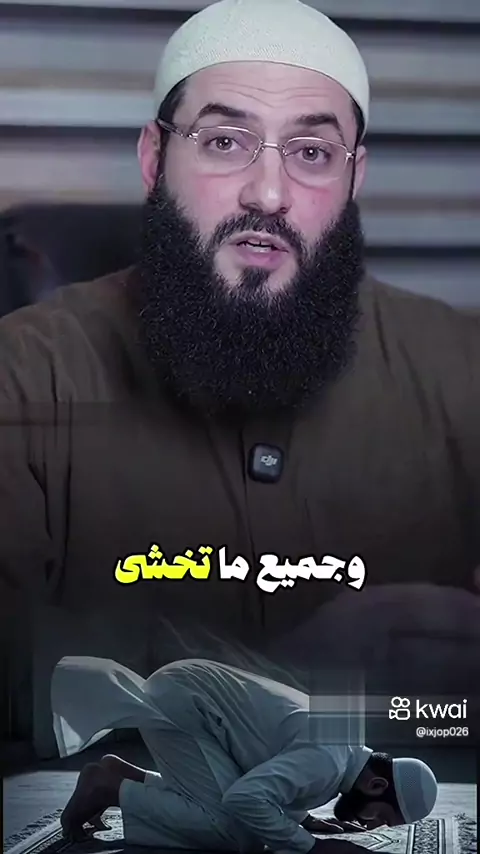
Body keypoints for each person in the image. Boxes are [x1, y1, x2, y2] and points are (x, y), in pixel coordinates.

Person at [0, 0, 480, 653]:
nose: (269, 194)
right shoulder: (27, 377)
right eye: (225, 142)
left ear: (354, 179)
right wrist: (291, 681)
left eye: (312, 153)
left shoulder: (459, 373)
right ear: (154, 159)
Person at [52, 657, 438, 851]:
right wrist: (312, 848)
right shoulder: (328, 760)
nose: (372, 827)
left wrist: (302, 819)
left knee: (244, 817)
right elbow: (244, 799)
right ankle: (108, 788)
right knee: (234, 832)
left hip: (188, 693)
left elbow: (273, 767)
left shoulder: (343, 742)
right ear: (376, 785)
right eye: (382, 817)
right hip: (185, 703)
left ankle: (123, 776)